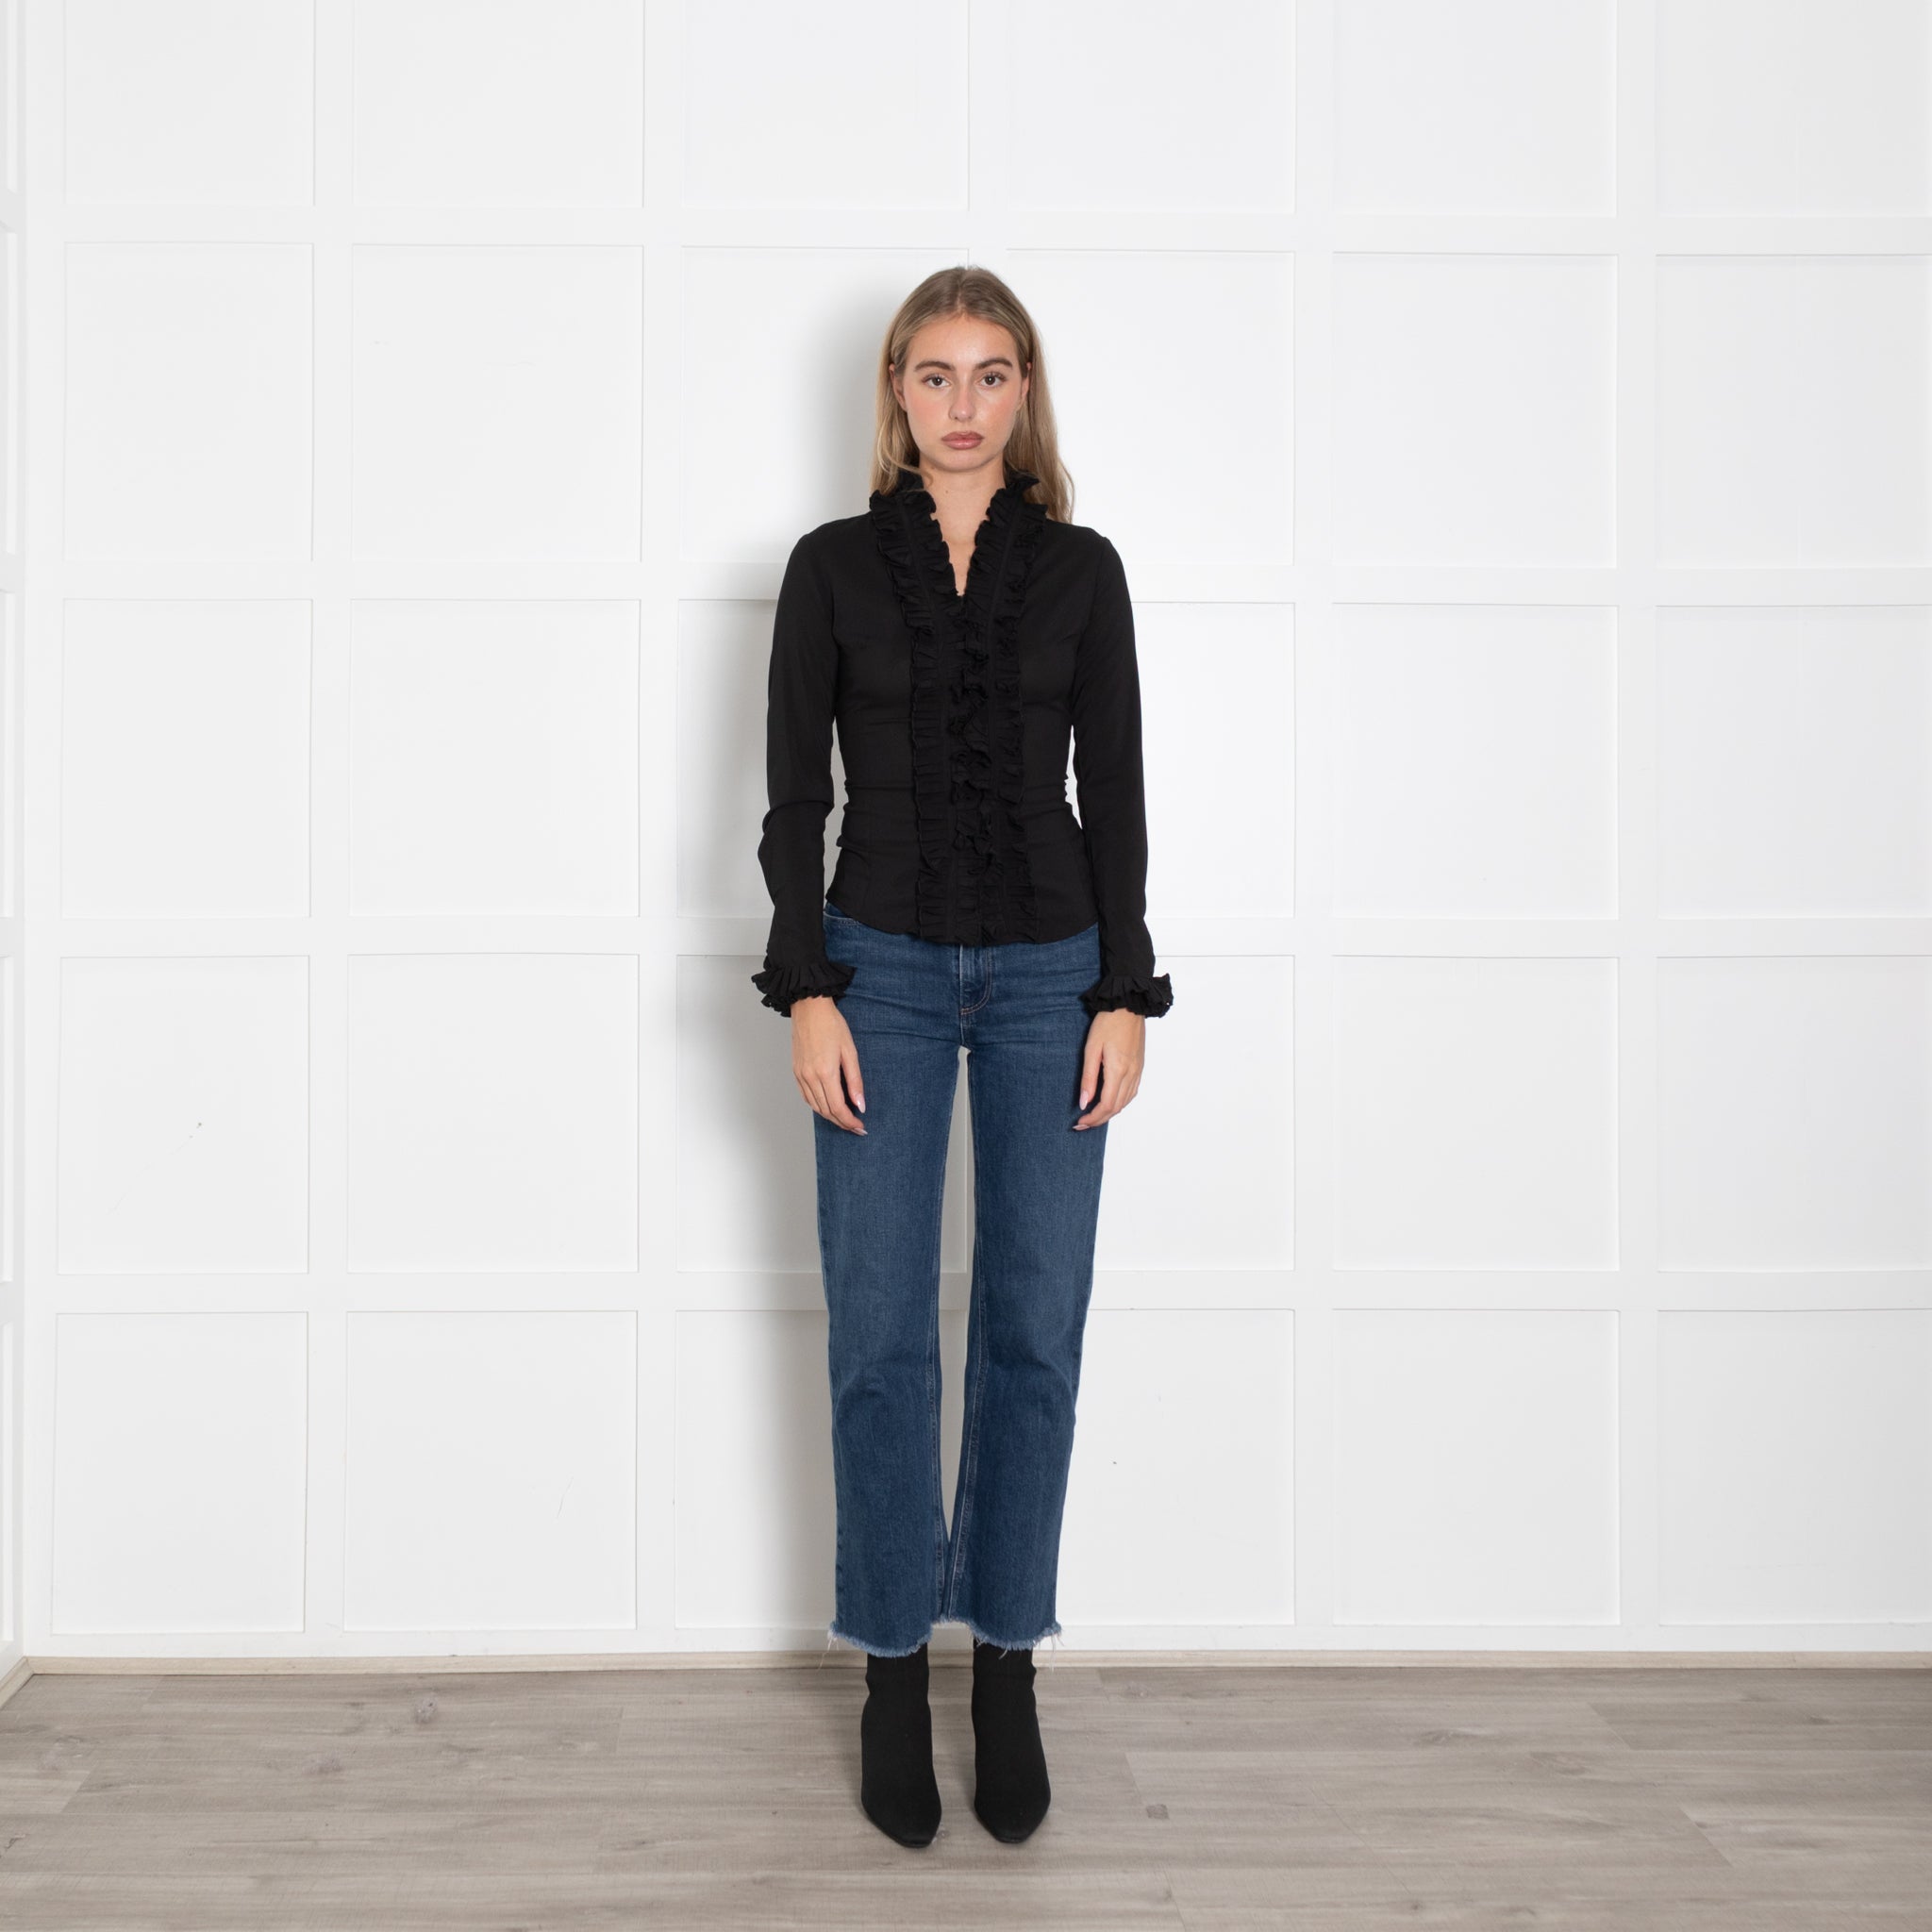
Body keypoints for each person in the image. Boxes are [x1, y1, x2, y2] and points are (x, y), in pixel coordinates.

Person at [752, 265, 1174, 1849]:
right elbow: (797, 798)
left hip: (1057, 976)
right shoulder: (828, 569)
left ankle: (1005, 1665)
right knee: (878, 1336)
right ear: (896, 391)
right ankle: (888, 1667)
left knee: (1033, 1329)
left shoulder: (1083, 571)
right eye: (935, 375)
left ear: (1025, 393)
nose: (964, 404)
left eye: (992, 375)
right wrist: (809, 988)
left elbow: (1116, 791)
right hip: (880, 975)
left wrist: (1122, 989)